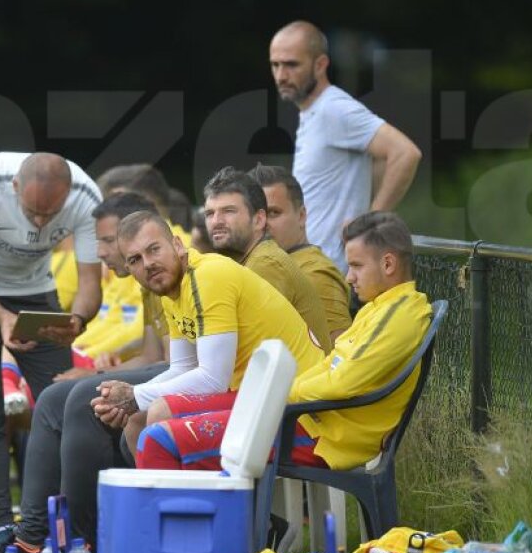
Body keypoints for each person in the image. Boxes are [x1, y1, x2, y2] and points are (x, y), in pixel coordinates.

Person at [137, 212, 432, 473]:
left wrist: (281, 394)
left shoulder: (400, 315)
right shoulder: (379, 308)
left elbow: (342, 382)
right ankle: (235, 530)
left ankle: (186, 536)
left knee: (158, 441)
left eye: (356, 266)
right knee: (164, 420)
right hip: (308, 418)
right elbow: (333, 368)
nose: (349, 277)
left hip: (322, 435)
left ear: (389, 264)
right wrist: (275, 394)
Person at [0, 152, 102, 549]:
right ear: (14, 189)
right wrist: (1, 316)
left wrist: (77, 320)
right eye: (32, 212)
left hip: (33, 286)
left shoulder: (86, 197)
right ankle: (1, 527)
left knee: (62, 401)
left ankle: (64, 523)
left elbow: (91, 281)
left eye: (51, 215)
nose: (40, 225)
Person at [0, 192, 170, 553]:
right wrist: (100, 370)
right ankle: (31, 536)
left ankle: (80, 541)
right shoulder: (145, 281)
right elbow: (154, 357)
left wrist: (98, 375)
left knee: (81, 397)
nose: (101, 252)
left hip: (196, 386)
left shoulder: (165, 273)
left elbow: (174, 363)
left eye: (106, 241)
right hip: (172, 374)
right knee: (56, 397)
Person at [93, 210, 325, 468]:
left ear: (178, 245)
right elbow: (184, 368)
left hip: (299, 409)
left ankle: (192, 506)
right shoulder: (171, 289)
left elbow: (213, 379)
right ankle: (168, 505)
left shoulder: (206, 276)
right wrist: (132, 398)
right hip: (257, 395)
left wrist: (136, 394)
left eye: (154, 250)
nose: (147, 263)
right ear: (128, 269)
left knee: (159, 411)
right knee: (136, 419)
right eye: (135, 259)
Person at [270, 20, 422, 272]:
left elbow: (405, 153)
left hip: (334, 278)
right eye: (275, 65)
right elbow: (380, 160)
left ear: (320, 65)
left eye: (291, 65)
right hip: (313, 272)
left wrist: (371, 220)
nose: (281, 75)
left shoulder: (335, 109)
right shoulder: (313, 112)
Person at [201, 167, 332, 353]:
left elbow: (232, 351)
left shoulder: (265, 264)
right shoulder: (253, 260)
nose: (216, 221)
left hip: (297, 380)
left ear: (259, 220)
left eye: (228, 211)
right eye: (209, 213)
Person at [248, 163, 353, 339]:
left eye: (273, 212)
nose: (263, 223)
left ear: (301, 216)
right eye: (255, 215)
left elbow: (338, 356)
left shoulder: (314, 274)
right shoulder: (263, 262)